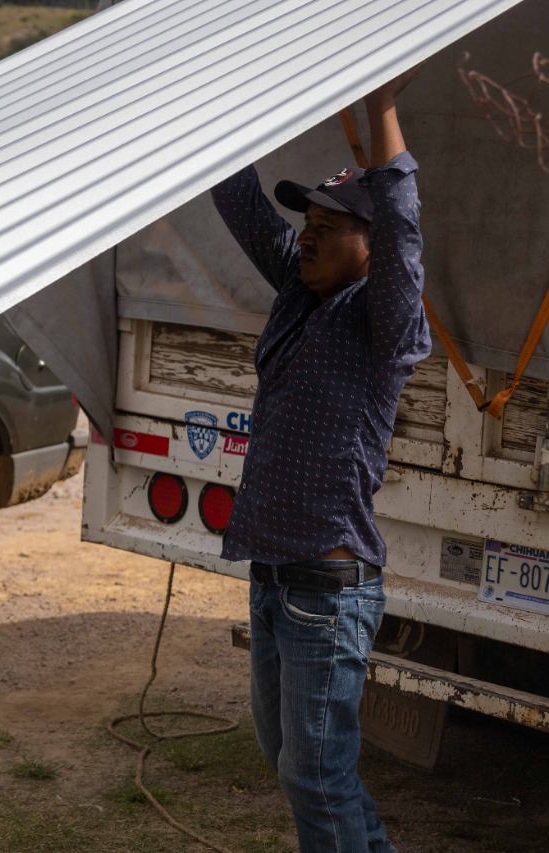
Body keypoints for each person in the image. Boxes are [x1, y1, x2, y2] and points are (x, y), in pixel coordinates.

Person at [210, 67, 427, 852]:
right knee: (300, 765)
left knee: (316, 775)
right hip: (272, 578)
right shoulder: (299, 294)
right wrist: (215, 100)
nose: (306, 236)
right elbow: (239, 200)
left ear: (370, 250)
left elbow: (402, 224)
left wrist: (381, 105)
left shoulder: (383, 326)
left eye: (329, 227)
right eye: (306, 222)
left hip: (328, 592)